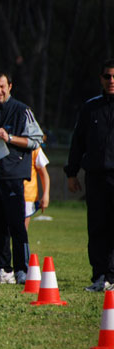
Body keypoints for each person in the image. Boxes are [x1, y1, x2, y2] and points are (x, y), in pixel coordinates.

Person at [0, 71, 44, 285]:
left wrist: (10, 137)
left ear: (10, 86)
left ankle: (22, 270)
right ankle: (3, 269)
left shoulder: (22, 110)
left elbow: (36, 140)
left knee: (16, 225)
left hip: (12, 175)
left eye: (2, 86)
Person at [65, 58, 114, 292]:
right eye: (107, 76)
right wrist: (71, 173)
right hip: (95, 177)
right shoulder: (90, 108)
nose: (111, 81)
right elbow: (78, 143)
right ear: (101, 79)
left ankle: (112, 276)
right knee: (96, 227)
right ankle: (100, 276)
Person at [24, 147, 50, 229]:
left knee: (21, 231)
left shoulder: (34, 148)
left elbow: (43, 174)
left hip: (27, 196)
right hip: (6, 192)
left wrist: (46, 194)